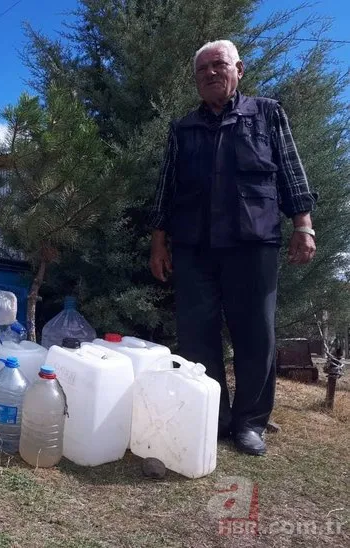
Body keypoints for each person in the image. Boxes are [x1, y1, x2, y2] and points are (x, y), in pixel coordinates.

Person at [148, 40, 317, 456]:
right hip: (194, 247)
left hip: (253, 242)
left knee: (256, 334)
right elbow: (166, 190)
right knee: (196, 336)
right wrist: (158, 243)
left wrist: (304, 225)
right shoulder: (182, 129)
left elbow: (291, 172)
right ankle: (214, 418)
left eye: (218, 64)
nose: (209, 73)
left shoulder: (267, 113)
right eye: (201, 69)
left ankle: (250, 424)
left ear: (238, 69)